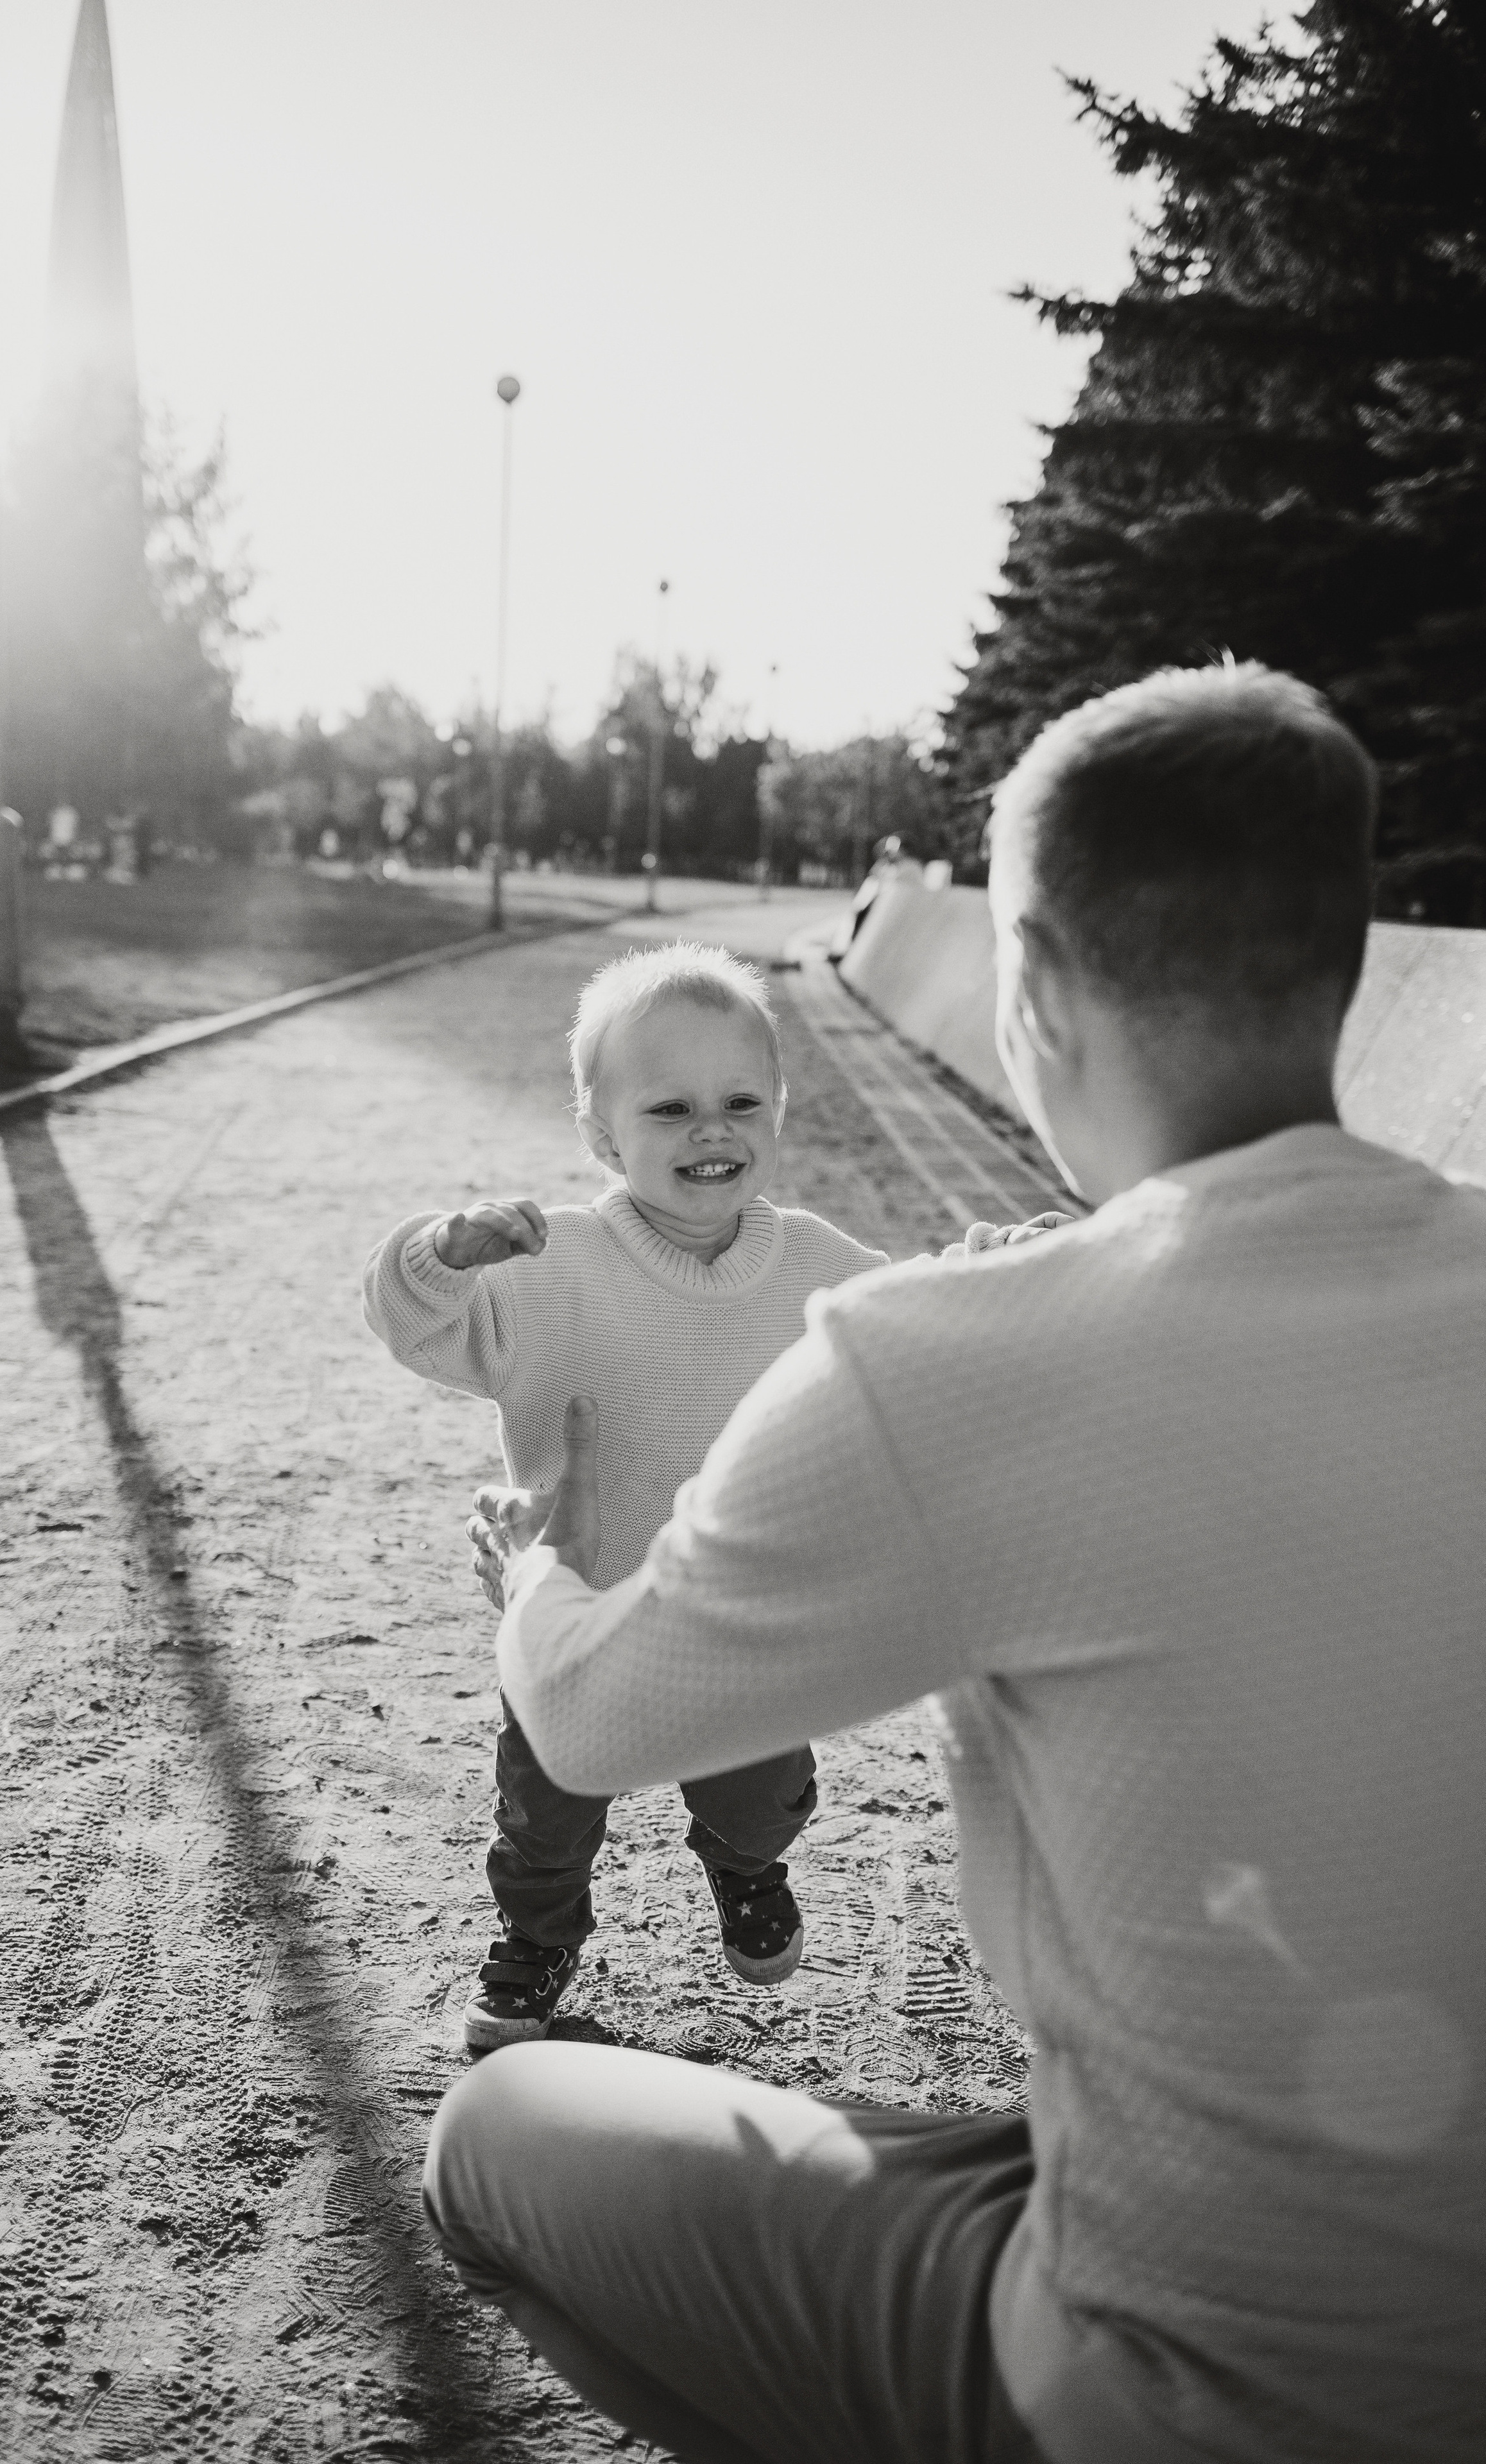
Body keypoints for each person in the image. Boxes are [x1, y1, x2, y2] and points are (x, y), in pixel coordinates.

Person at [426, 663, 1486, 2464]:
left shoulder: (944, 1357)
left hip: (1178, 2396)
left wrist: (527, 1573)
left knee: (487, 2147)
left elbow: (596, 1724)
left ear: (1034, 990)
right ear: (1348, 969)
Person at [363, 941, 890, 2052]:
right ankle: (538, 1940)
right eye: (671, 1107)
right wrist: (442, 1256)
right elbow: (420, 1326)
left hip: (742, 1616)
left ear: (779, 1114)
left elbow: (921, 1318)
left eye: (743, 1101)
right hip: (579, 1611)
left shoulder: (814, 1265)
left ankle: (745, 1865)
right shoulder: (549, 1265)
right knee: (545, 1816)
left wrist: (1001, 1263)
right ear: (603, 1135)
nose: (714, 1130)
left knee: (759, 1793)